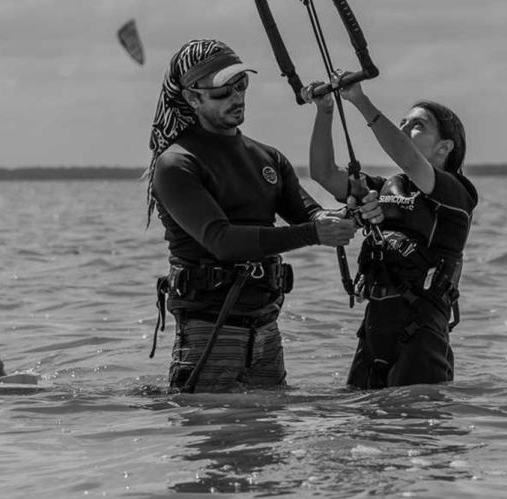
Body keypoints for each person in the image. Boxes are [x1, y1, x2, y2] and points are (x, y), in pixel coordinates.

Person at [146, 39, 381, 393]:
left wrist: (354, 214)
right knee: (215, 439)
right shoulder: (176, 164)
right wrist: (315, 233)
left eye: (241, 85)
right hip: (210, 330)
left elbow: (311, 215)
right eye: (222, 91)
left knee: (269, 440)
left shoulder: (268, 158)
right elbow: (222, 241)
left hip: (266, 327)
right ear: (193, 98)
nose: (236, 97)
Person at [302, 74, 478, 388]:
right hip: (374, 326)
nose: (404, 129)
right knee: (361, 424)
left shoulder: (455, 193)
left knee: (414, 429)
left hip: (421, 331)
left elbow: (408, 159)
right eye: (403, 122)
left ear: (444, 147)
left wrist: (359, 99)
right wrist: (325, 110)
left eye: (417, 125)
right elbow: (323, 173)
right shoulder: (386, 187)